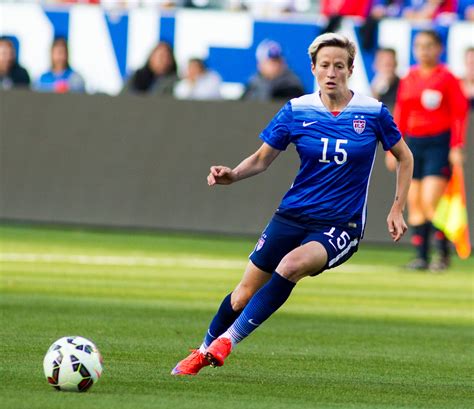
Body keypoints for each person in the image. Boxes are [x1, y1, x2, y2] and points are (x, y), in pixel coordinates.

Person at [171, 32, 413, 376]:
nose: (332, 72)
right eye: (325, 65)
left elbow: (405, 157)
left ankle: (227, 342)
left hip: (339, 225)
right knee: (241, 296)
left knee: (291, 265)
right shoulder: (297, 111)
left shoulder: (372, 112)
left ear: (351, 69)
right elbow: (262, 159)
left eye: (339, 66)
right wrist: (233, 174)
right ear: (313, 68)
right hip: (292, 214)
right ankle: (203, 348)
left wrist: (396, 207)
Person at [387, 30, 468, 271]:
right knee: (414, 202)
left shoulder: (447, 78)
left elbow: (459, 114)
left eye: (429, 46)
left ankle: (442, 255)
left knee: (431, 199)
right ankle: (421, 256)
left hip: (438, 143)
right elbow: (400, 113)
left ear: (439, 49)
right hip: (413, 144)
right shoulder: (409, 77)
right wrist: (393, 148)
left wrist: (456, 146)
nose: (424, 51)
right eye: (419, 46)